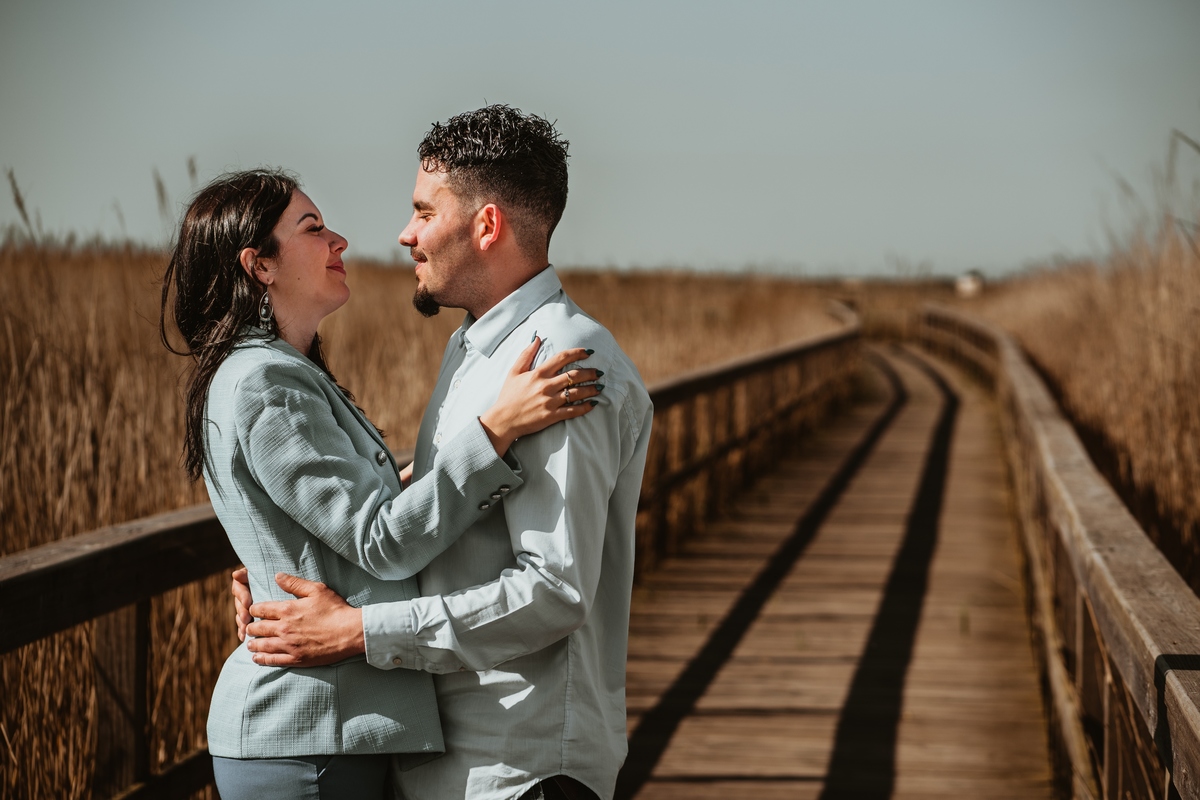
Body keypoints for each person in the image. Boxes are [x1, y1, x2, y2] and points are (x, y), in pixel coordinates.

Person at [238, 106, 654, 800]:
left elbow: (552, 592)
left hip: (523, 768)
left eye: (424, 212)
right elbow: (428, 514)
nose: (405, 234)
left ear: (486, 226)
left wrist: (357, 632)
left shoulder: (558, 364)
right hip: (456, 763)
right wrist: (281, 562)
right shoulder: (474, 353)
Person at [160, 168, 602, 800]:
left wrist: (268, 566)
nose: (339, 241)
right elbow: (380, 538)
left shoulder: (274, 373)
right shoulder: (265, 383)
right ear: (259, 265)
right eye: (313, 229)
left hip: (329, 728)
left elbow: (339, 514)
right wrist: (495, 429)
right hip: (309, 729)